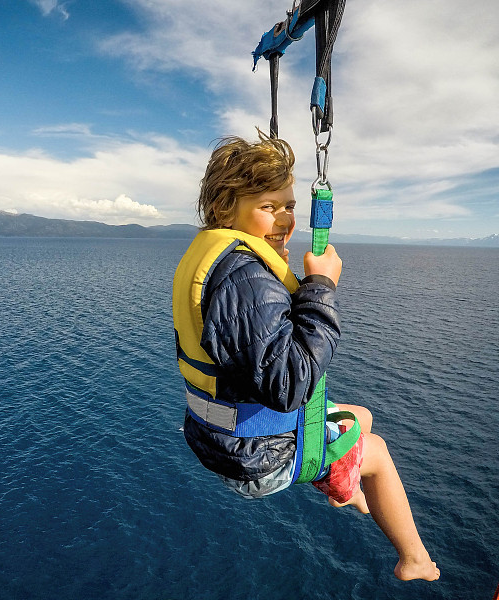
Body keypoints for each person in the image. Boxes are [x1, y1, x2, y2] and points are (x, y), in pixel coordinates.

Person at [172, 131, 439, 582]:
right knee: (376, 451)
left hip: (221, 435)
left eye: (290, 205)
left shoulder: (223, 260)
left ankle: (344, 484)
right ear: (225, 209)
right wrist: (321, 288)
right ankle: (414, 558)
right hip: (253, 457)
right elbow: (289, 385)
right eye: (268, 208)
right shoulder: (247, 280)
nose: (286, 220)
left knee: (363, 416)